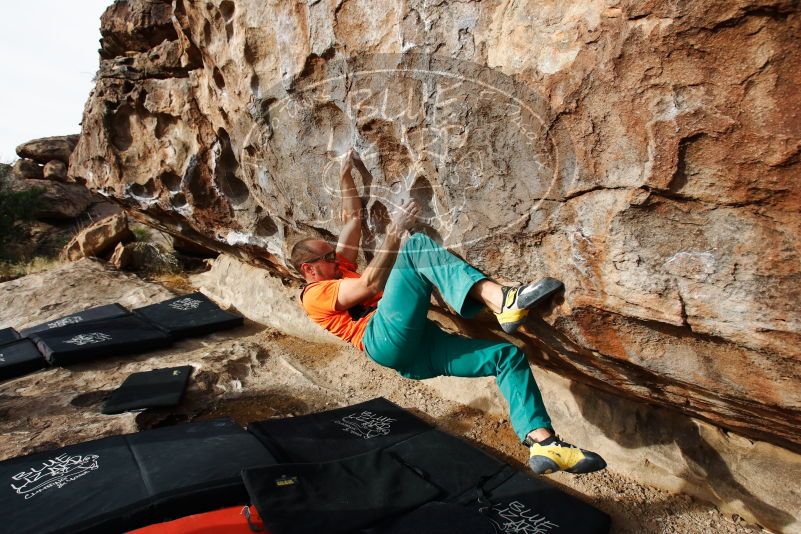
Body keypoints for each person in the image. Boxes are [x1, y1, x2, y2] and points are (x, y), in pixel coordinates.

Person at [290, 149, 606, 475]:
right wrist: (395, 233)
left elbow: (352, 218)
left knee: (506, 357)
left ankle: (543, 443)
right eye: (327, 255)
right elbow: (370, 285)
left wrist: (345, 175)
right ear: (309, 270)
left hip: (416, 350)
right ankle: (501, 301)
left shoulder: (336, 267)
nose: (335, 254)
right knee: (414, 247)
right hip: (382, 337)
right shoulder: (315, 294)